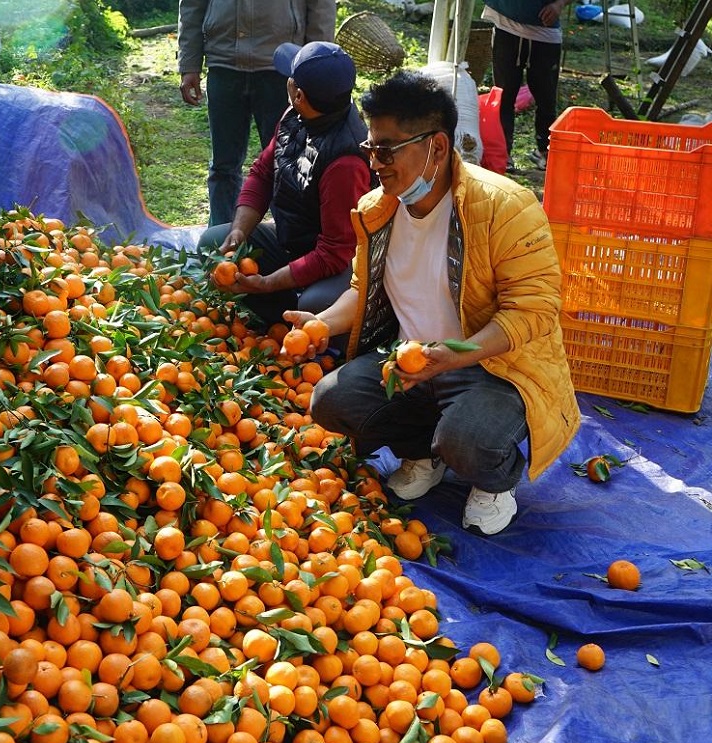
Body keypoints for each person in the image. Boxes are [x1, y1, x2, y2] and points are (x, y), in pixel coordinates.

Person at [290, 70, 579, 535]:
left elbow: (533, 310)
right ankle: (424, 454)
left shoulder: (504, 208)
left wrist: (454, 355)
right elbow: (363, 290)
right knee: (331, 400)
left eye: (387, 150)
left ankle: (493, 480)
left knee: (470, 441)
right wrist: (320, 324)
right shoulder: (377, 209)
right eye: (371, 149)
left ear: (437, 147)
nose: (376, 163)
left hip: (494, 369)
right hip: (411, 363)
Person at [199, 41, 373, 330]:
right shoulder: (296, 115)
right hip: (296, 240)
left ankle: (311, 324)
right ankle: (279, 317)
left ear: (299, 93)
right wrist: (240, 229)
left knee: (316, 303)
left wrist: (267, 283)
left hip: (343, 262)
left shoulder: (345, 161)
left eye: (289, 78)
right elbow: (263, 173)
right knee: (213, 242)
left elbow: (334, 252)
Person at [178, 0, 338, 226]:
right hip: (224, 64)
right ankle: (220, 246)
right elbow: (192, 5)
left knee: (286, 164)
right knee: (223, 166)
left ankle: (288, 241)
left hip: (281, 66)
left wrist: (313, 65)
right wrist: (189, 63)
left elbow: (321, 7)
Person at [480, 0, 569, 170]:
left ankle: (545, 150)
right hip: (505, 26)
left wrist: (560, 4)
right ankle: (502, 153)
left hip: (545, 33)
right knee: (503, 97)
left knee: (546, 99)